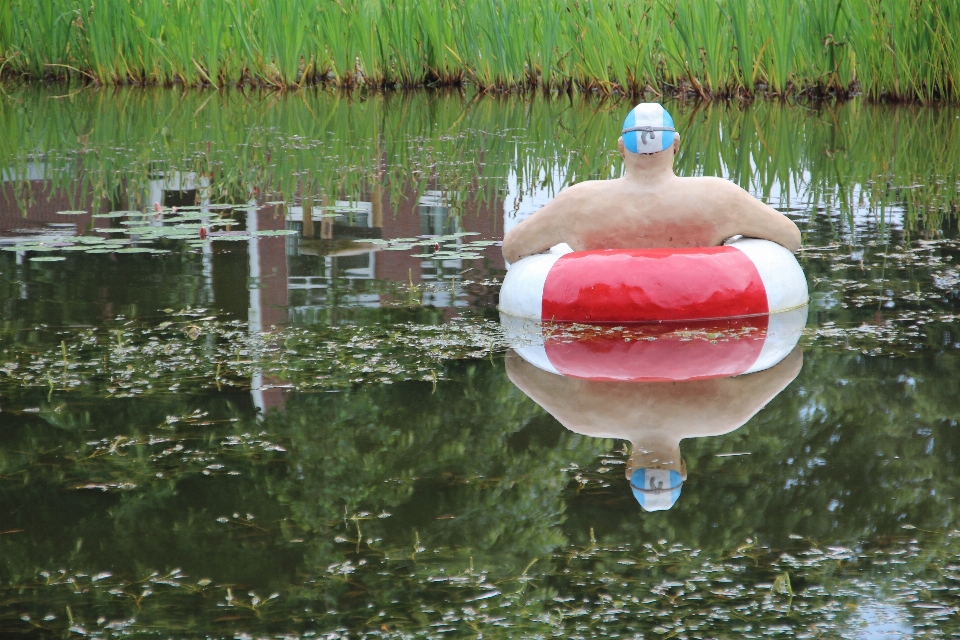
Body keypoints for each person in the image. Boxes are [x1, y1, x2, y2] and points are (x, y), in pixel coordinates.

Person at [505, 346, 802, 511]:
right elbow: (515, 364)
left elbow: (793, 359)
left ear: (684, 469)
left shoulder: (723, 418)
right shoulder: (583, 419)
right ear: (628, 468)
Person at [502, 103, 801, 264]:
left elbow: (514, 249)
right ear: (676, 145)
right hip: (697, 311)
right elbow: (790, 238)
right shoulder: (719, 197)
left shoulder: (577, 202)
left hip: (601, 320)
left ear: (621, 147)